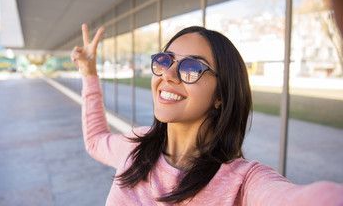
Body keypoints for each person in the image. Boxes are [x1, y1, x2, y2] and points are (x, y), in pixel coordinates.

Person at [71, 24, 343, 205]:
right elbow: (95, 140)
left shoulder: (242, 182)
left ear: (221, 95)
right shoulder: (136, 145)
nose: (168, 74)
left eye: (191, 67)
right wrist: (89, 73)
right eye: (165, 61)